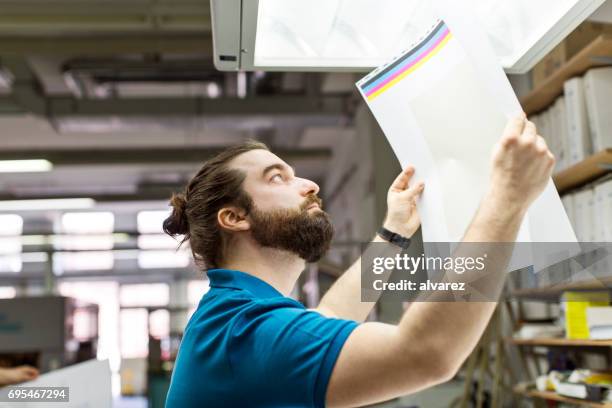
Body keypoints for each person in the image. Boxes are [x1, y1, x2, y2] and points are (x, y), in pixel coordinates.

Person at [163, 114, 554, 407]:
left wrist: (392, 233)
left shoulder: (235, 313)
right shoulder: (245, 331)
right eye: (277, 178)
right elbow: (425, 353)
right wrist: (508, 198)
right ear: (235, 217)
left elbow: (330, 317)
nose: (310, 185)